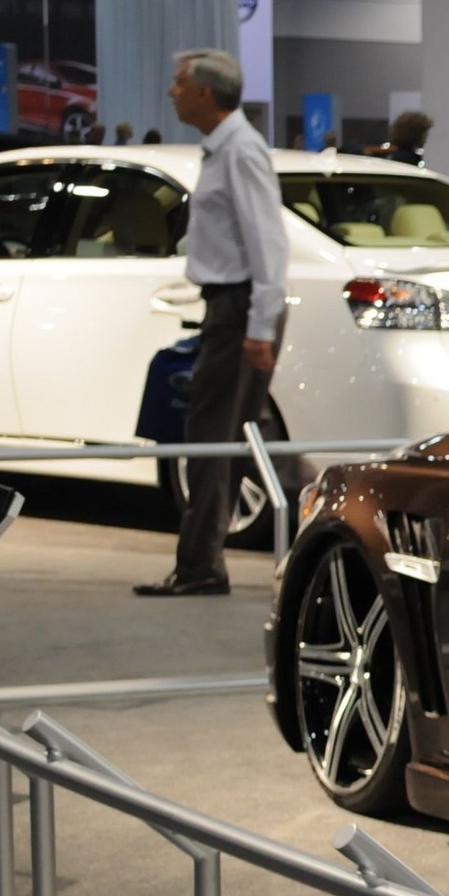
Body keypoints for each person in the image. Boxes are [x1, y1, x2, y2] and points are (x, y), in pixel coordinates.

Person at [137, 48, 287, 597]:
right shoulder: (224, 149)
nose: (172, 92)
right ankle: (204, 562)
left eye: (179, 83)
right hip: (230, 306)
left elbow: (268, 244)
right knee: (224, 438)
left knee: (210, 439)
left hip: (238, 307)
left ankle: (200, 565)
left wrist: (260, 327)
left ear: (205, 93)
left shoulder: (241, 151)